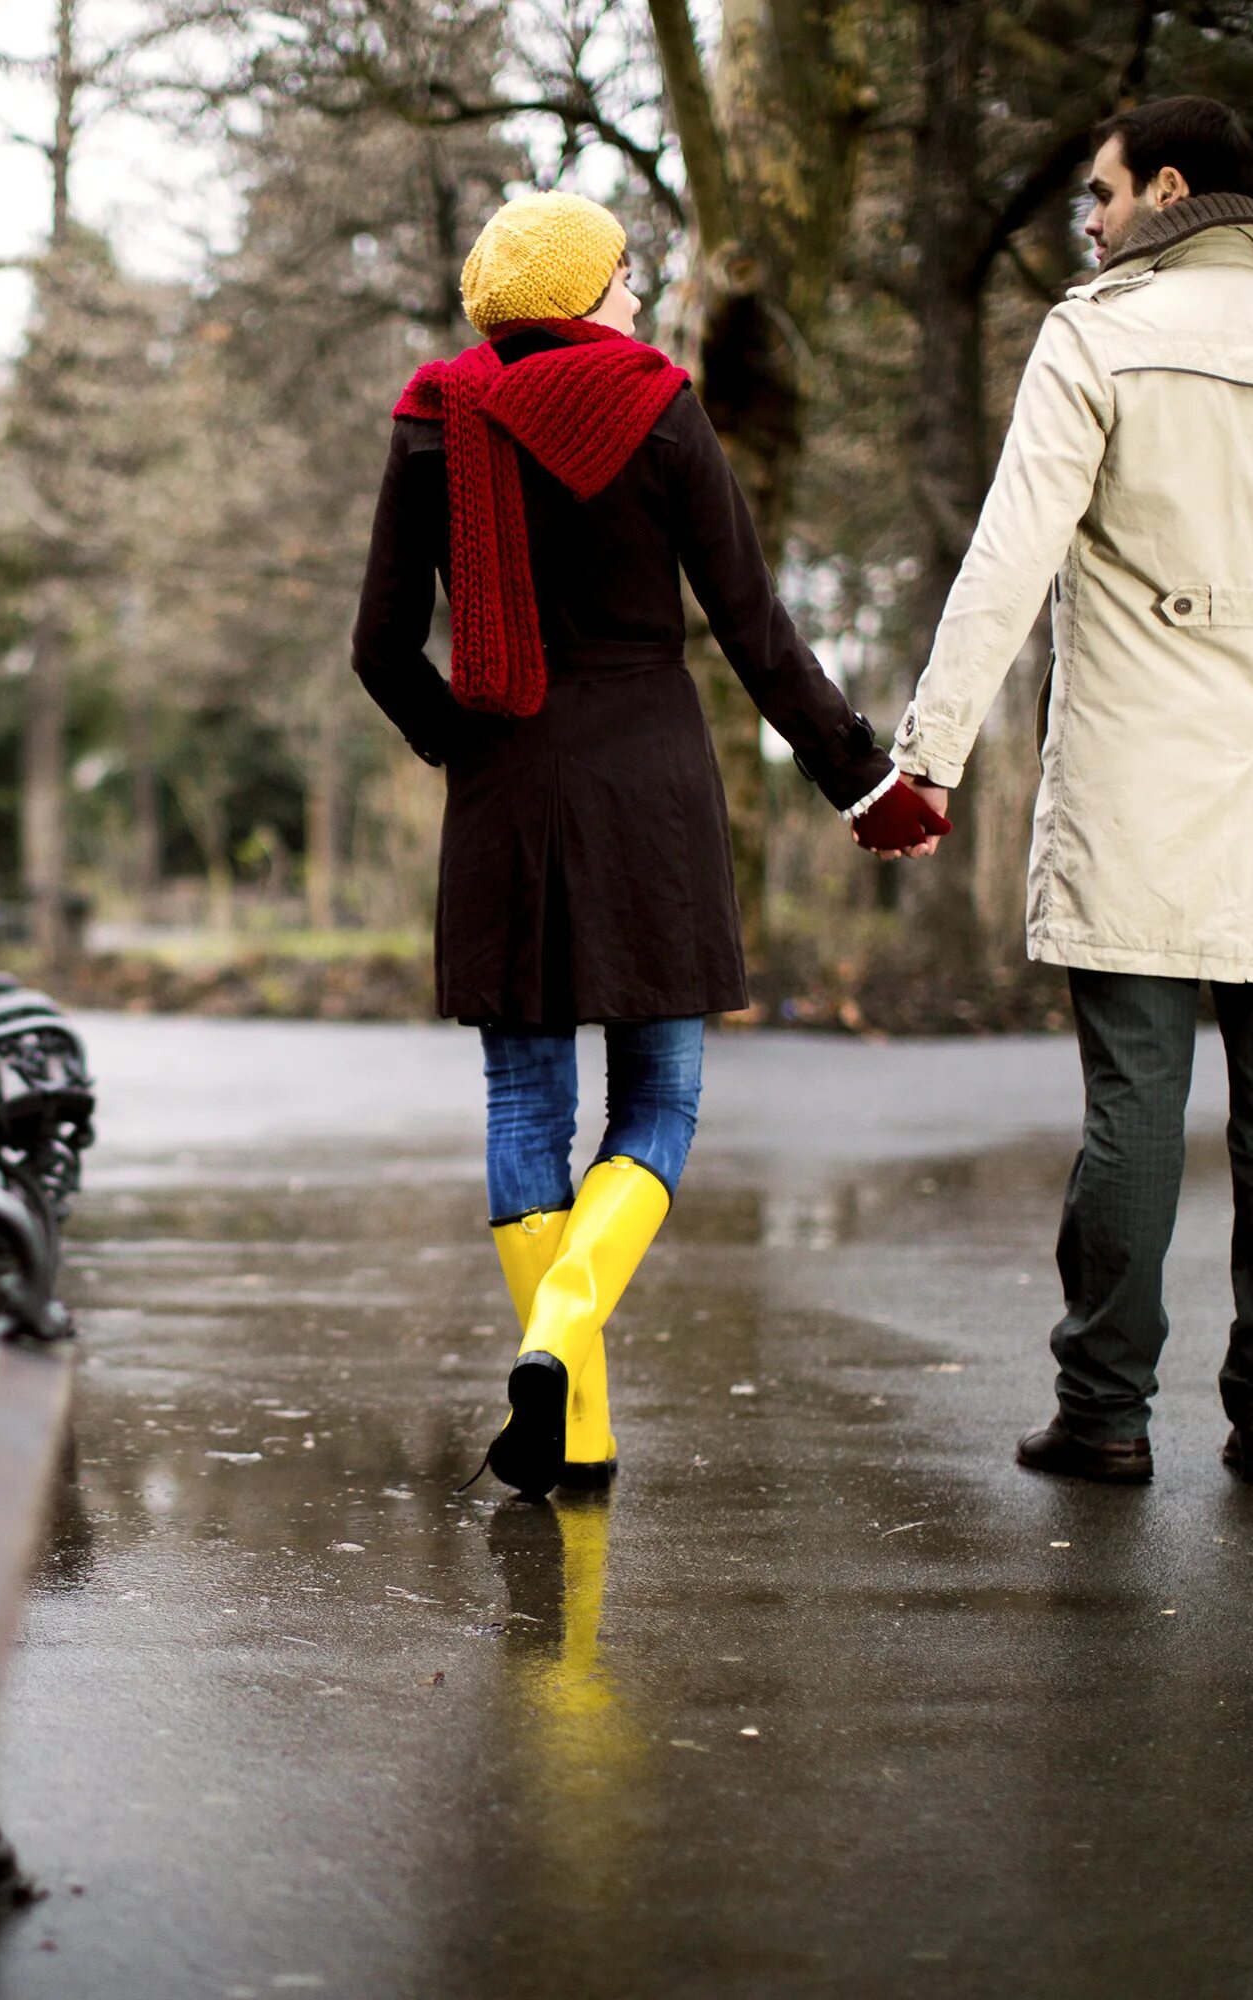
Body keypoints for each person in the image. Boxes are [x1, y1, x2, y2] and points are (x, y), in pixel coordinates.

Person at [351, 189, 948, 1500]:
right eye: (624, 273)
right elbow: (754, 627)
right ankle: (566, 1328)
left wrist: (465, 741)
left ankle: (577, 1429)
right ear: (577, 290)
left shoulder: (432, 420)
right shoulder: (657, 404)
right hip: (652, 794)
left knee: (524, 1104)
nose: (636, 295)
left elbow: (380, 650)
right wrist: (864, 782)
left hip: (506, 789)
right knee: (661, 1103)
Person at [885, 96, 1253, 1487]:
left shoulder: (1099, 335)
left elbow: (1007, 560)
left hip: (1135, 776)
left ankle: (1109, 1411)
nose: (1094, 224)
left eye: (1103, 197)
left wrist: (928, 756)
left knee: (1135, 1094)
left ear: (1170, 189)